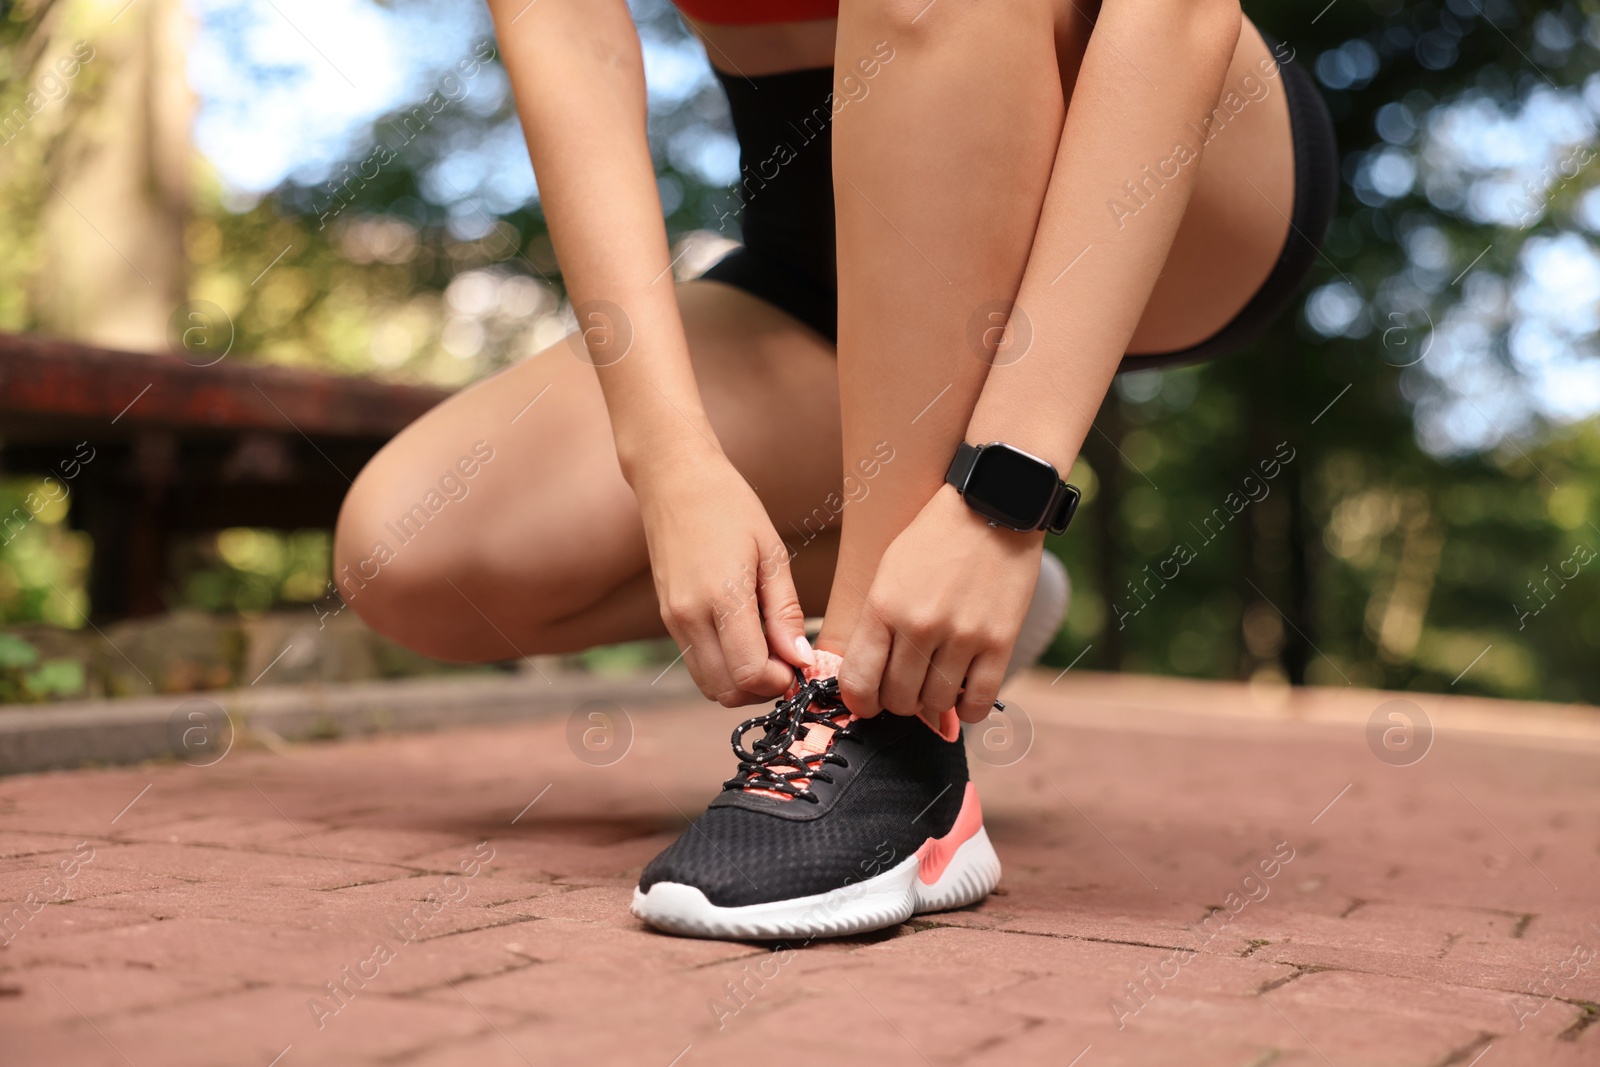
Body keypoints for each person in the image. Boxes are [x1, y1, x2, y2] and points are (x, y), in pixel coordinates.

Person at [335, 0, 1336, 939]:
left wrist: (1004, 499)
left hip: (1158, 149)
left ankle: (887, 716)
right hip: (816, 239)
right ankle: (917, 602)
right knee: (412, 551)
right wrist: (673, 464)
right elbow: (572, 46)